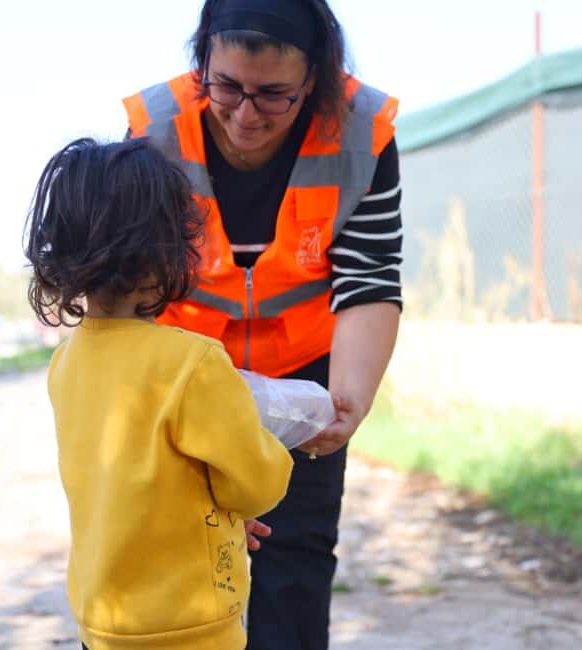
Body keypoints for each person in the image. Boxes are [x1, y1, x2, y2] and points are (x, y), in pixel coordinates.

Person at [122, 1, 403, 647]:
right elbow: (129, 286)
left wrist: (347, 404)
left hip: (306, 378)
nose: (247, 114)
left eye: (274, 94)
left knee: (295, 554)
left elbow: (369, 278)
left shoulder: (363, 133)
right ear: (202, 68)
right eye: (227, 87)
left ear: (315, 80)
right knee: (178, 551)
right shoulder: (152, 132)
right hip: (183, 373)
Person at [24, 137, 294, 650]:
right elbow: (254, 486)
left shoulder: (66, 363)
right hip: (189, 626)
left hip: (104, 620)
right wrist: (267, 448)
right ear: (168, 247)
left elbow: (134, 480)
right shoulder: (192, 364)